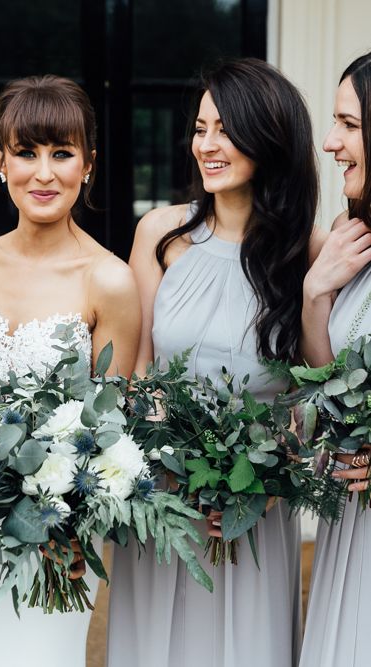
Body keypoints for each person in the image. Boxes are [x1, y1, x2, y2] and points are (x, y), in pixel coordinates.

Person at [107, 58, 319, 667]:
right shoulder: (161, 234)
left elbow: (309, 393)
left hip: (254, 508)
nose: (207, 145)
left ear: (268, 137)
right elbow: (140, 367)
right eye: (200, 128)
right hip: (164, 501)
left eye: (224, 129)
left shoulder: (308, 253)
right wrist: (164, 465)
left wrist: (265, 489)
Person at [0, 74, 141, 667]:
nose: (43, 173)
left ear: (88, 165)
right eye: (25, 152)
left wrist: (72, 525)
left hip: (54, 525)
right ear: (0, 162)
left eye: (62, 153)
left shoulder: (111, 281)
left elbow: (111, 424)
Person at [299, 51, 371, 666]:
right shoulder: (350, 244)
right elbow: (329, 389)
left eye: (349, 124)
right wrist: (317, 295)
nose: (330, 143)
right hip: (353, 515)